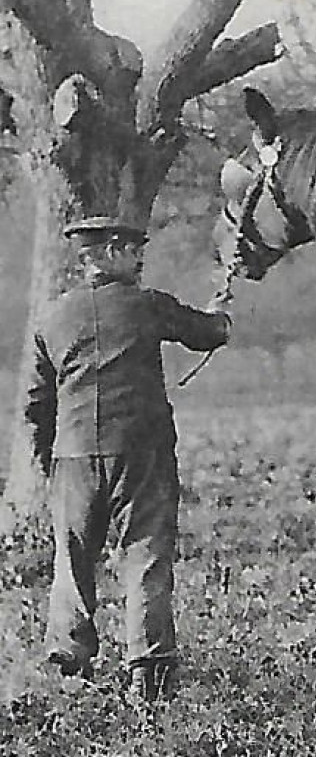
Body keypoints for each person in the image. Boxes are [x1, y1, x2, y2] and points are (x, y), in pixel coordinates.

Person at [21, 216, 232, 702]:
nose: (140, 260)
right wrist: (222, 314)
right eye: (135, 251)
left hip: (72, 457)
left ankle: (68, 662)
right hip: (142, 454)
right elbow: (207, 333)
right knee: (145, 554)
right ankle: (149, 672)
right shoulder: (148, 305)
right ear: (113, 252)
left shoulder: (51, 319)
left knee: (72, 559)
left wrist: (47, 464)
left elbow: (36, 406)